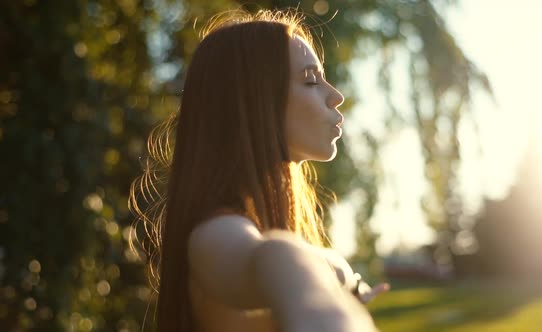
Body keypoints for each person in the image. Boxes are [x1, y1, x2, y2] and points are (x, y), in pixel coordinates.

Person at [129, 8, 389, 332]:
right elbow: (276, 256)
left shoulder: (250, 224)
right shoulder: (213, 235)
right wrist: (335, 274)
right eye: (310, 80)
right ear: (252, 101)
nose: (336, 97)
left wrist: (343, 284)